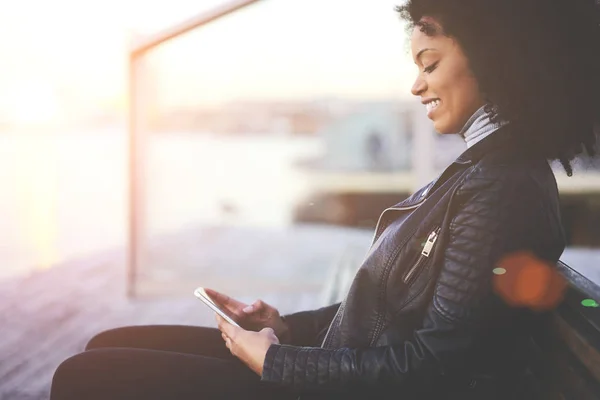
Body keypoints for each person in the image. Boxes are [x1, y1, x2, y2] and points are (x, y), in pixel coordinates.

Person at [50, 0, 600, 399]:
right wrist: (287, 327)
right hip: (329, 368)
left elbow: (433, 370)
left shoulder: (498, 187)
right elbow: (393, 314)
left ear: (495, 60)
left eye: (429, 63)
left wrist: (277, 362)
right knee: (108, 341)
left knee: (84, 377)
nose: (416, 85)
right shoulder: (487, 170)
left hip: (330, 386)